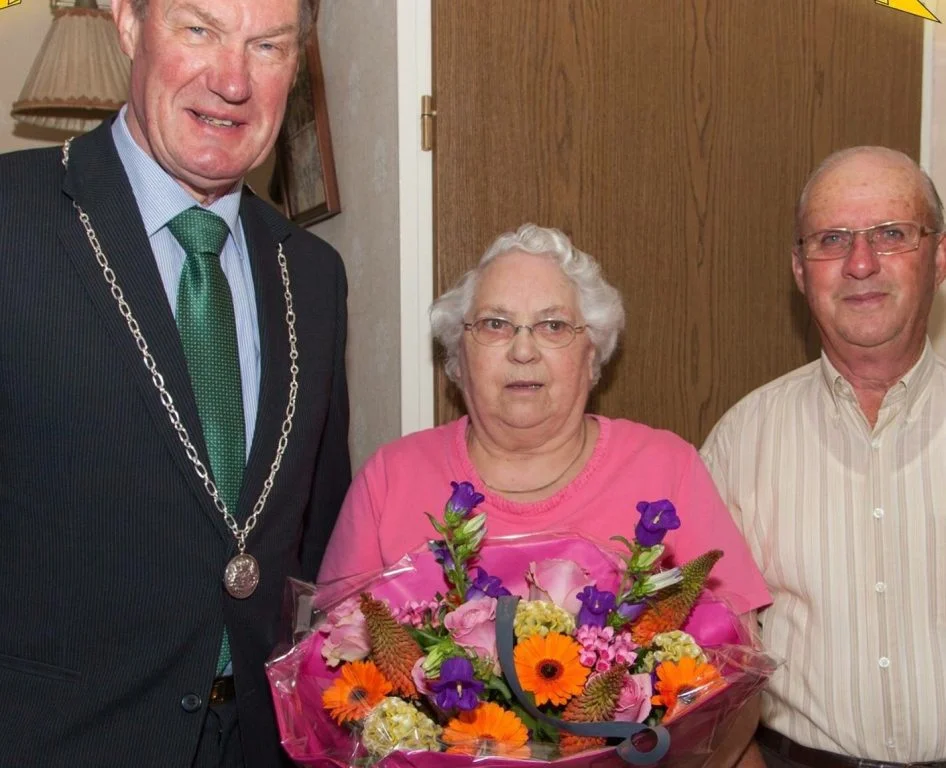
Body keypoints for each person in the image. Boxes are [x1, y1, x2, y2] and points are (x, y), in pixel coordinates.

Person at [0, 0, 350, 765]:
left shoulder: (312, 275)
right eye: (199, 30)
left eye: (267, 47)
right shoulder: (12, 219)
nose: (233, 81)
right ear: (128, 24)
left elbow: (316, 539)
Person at [319, 223, 770, 765]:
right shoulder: (390, 478)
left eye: (553, 325)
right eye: (495, 324)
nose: (523, 349)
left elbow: (736, 682)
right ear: (458, 353)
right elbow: (332, 674)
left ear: (592, 353)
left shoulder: (667, 468)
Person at [701, 147, 946, 767]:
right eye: (832, 240)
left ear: (940, 257)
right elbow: (705, 656)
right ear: (799, 270)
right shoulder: (741, 441)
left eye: (891, 234)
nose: (860, 263)